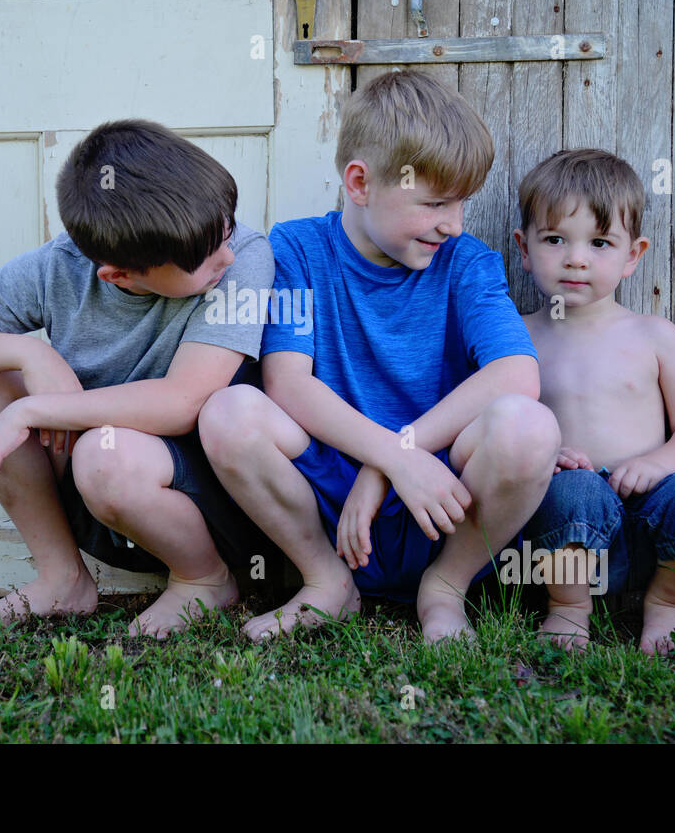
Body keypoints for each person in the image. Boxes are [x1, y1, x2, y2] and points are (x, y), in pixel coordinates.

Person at [200, 70, 560, 643]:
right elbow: (287, 384)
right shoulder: (296, 248)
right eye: (436, 202)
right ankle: (325, 582)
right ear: (360, 183)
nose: (454, 223)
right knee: (228, 412)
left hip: (439, 495)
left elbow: (516, 374)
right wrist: (389, 458)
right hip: (334, 500)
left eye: (463, 203)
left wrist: (398, 457)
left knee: (529, 427)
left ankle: (444, 589)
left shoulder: (467, 262)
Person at [0, 119, 280, 638]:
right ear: (117, 274)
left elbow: (185, 399)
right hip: (101, 497)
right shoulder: (60, 266)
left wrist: (30, 409)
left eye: (224, 229)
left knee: (104, 452)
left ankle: (203, 579)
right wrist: (29, 353)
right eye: (202, 258)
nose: (224, 257)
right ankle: (62, 578)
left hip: (207, 500)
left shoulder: (244, 256)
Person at [511, 148, 675, 655]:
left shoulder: (654, 336)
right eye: (555, 239)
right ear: (524, 248)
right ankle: (569, 610)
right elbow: (495, 423)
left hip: (653, 522)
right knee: (573, 493)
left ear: (632, 256)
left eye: (600, 243)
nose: (576, 258)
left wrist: (656, 463)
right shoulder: (514, 340)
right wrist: (538, 457)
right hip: (560, 528)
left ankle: (667, 608)